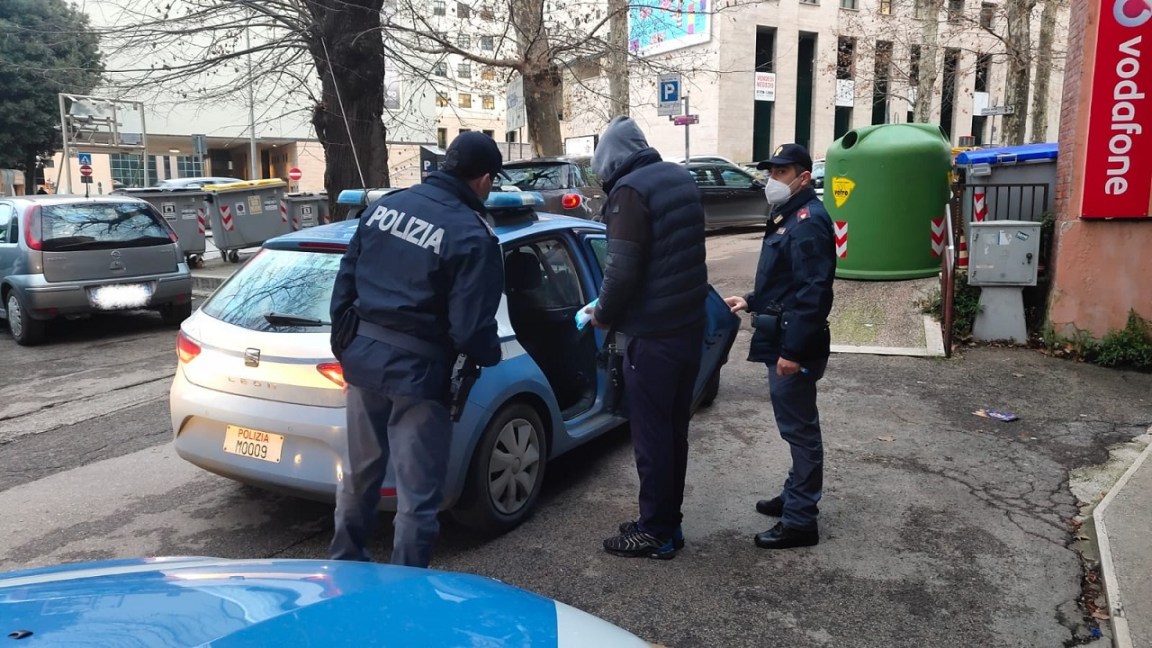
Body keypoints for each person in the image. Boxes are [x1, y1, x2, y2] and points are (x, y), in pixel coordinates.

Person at [328, 131, 505, 567]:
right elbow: (470, 328)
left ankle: (345, 566)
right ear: (483, 179)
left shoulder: (384, 207)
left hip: (363, 362)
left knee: (357, 476)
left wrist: (346, 344)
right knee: (417, 497)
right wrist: (490, 355)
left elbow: (345, 280)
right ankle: (408, 591)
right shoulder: (472, 234)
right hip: (420, 377)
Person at [586, 116, 709, 560]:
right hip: (688, 328)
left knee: (652, 438)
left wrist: (601, 314)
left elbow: (620, 271)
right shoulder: (678, 177)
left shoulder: (629, 193)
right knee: (673, 431)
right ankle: (667, 523)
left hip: (652, 337)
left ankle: (654, 531)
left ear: (611, 160)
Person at [724, 143, 836, 550]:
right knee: (795, 428)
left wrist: (792, 351)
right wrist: (750, 300)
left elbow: (813, 292)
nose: (773, 180)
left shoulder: (806, 222)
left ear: (804, 177)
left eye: (782, 173)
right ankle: (795, 495)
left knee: (800, 430)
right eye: (771, 172)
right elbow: (784, 279)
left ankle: (801, 519)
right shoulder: (787, 215)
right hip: (784, 334)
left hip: (794, 342)